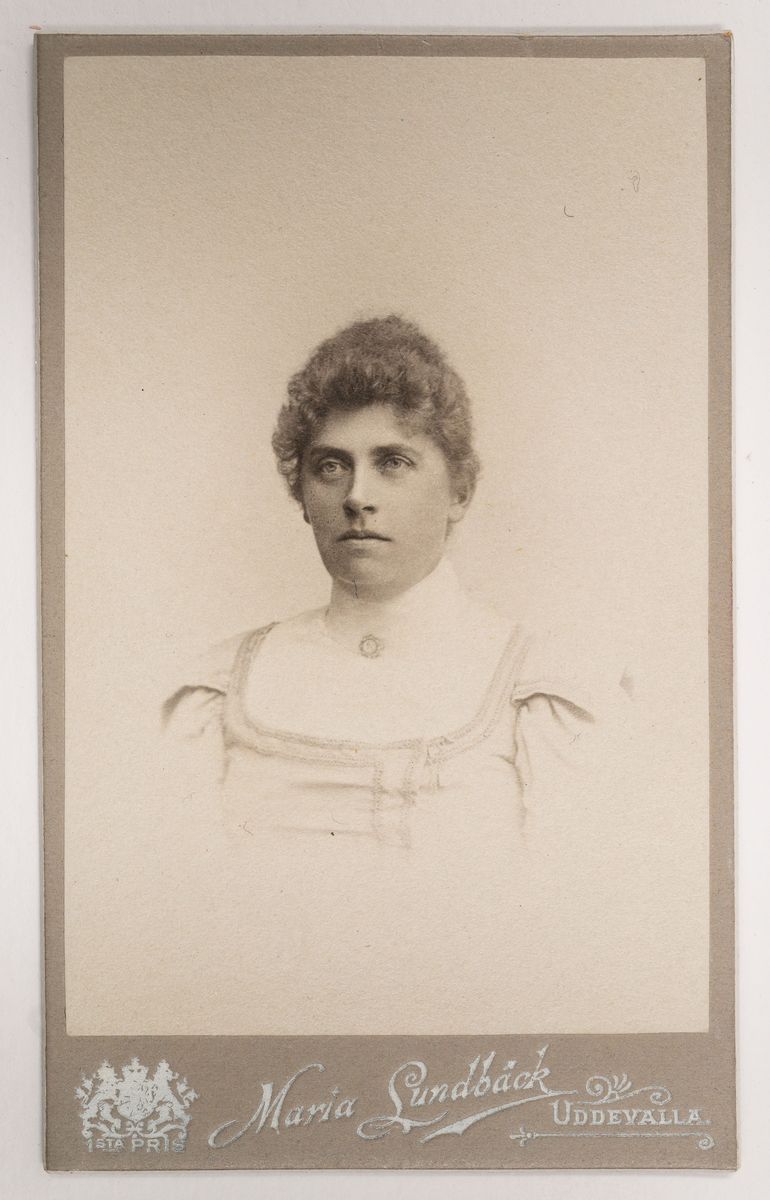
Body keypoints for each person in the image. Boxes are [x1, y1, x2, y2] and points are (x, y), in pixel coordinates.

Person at [162, 316, 623, 1034]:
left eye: (394, 462)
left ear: (460, 490)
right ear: (302, 493)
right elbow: (174, 937)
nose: (357, 495)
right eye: (330, 466)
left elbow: (580, 947)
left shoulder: (545, 689)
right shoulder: (215, 689)